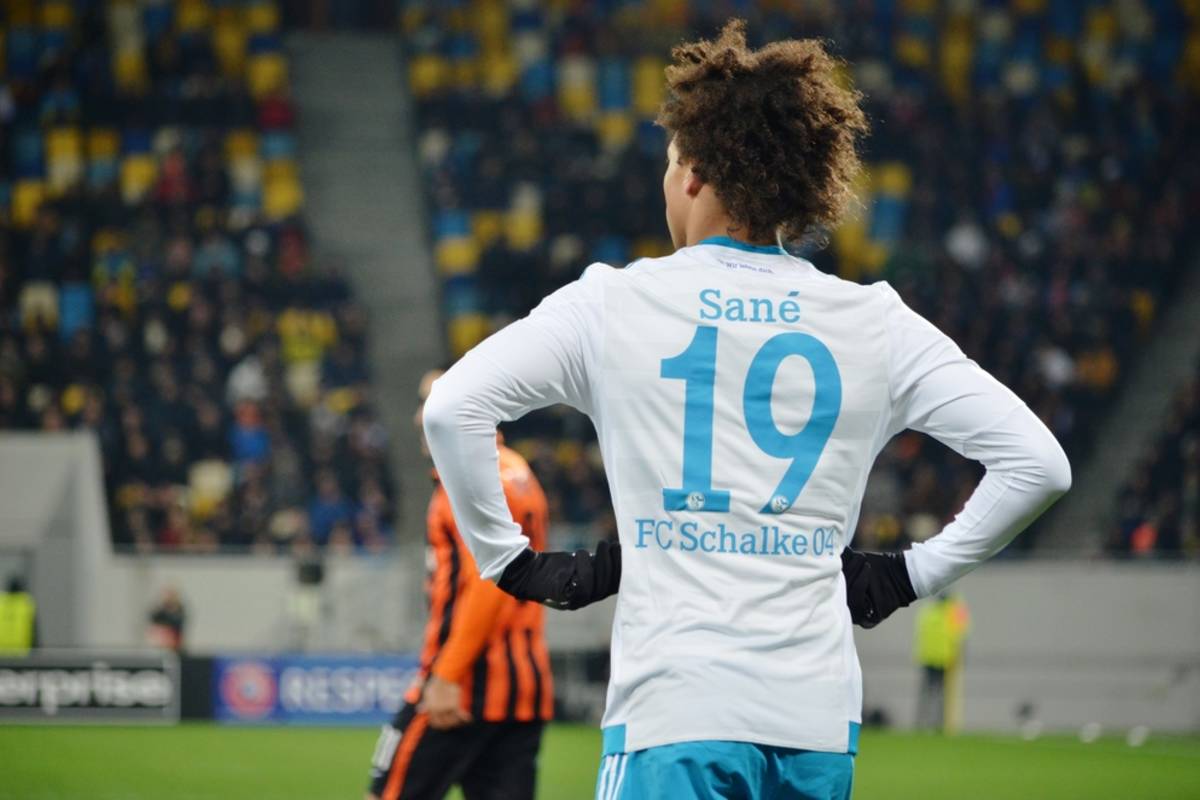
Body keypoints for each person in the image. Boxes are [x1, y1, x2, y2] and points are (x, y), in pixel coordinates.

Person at [421, 20, 1071, 799]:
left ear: (695, 175)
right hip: (816, 719)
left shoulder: (614, 303)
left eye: (670, 164)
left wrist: (511, 563)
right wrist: (906, 576)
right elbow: (1039, 466)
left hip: (675, 710)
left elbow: (452, 409)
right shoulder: (875, 322)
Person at [367, 370, 554, 800]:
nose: (420, 416)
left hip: (465, 685)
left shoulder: (468, 475)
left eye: (432, 401)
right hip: (522, 690)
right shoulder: (517, 469)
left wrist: (447, 675)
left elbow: (490, 582)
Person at [915, 592, 970, 733]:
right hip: (944, 659)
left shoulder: (927, 611)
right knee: (942, 696)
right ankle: (938, 724)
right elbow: (961, 635)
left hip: (929, 658)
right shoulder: (953, 611)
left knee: (927, 694)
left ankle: (922, 723)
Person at [0, 575, 37, 655]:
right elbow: (34, 633)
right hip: (21, 654)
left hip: (1, 654)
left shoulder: (1, 603)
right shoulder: (26, 604)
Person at [146, 586, 187, 652]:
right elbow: (153, 618)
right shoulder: (161, 611)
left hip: (175, 644)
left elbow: (177, 622)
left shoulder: (178, 611)